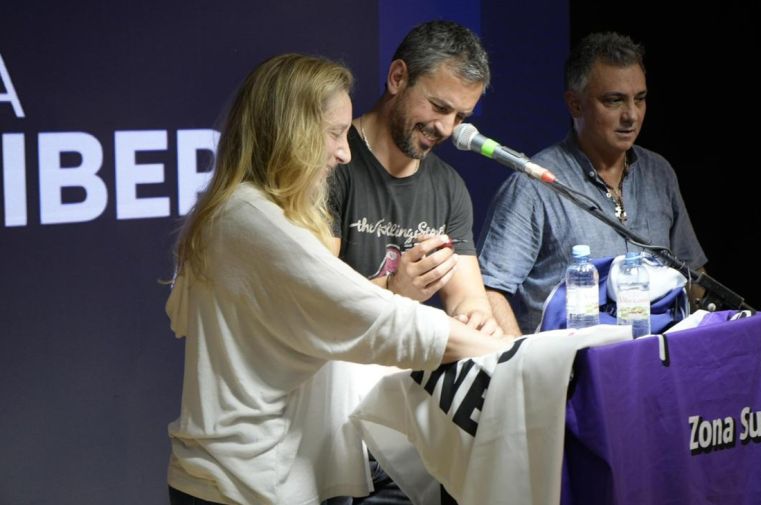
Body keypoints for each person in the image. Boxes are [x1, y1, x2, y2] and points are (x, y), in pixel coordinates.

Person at [164, 53, 509, 505]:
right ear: (290, 131)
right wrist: (510, 357)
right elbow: (368, 317)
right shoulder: (250, 220)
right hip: (242, 488)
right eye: (334, 133)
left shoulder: (243, 215)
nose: (345, 152)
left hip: (251, 481)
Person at [478, 32, 708, 335]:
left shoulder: (658, 173)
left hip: (657, 368)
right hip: (571, 375)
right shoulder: (533, 186)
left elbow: (695, 278)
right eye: (614, 101)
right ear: (575, 105)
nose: (631, 116)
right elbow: (489, 290)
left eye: (639, 99)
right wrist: (522, 365)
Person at [328, 20, 501, 336]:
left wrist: (477, 321)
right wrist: (395, 289)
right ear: (397, 77)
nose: (447, 129)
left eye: (460, 117)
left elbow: (470, 302)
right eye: (439, 107)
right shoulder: (331, 162)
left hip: (402, 373)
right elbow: (315, 302)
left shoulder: (449, 187)